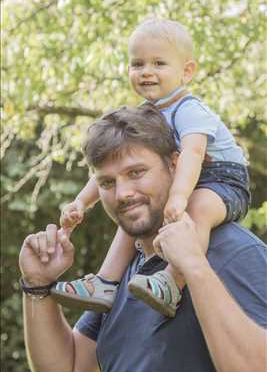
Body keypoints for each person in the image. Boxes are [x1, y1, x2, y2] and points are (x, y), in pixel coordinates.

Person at [19, 105, 267, 372]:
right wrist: (37, 286)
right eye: (107, 183)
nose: (123, 193)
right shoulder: (119, 276)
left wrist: (194, 267)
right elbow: (68, 370)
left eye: (136, 172)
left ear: (175, 165)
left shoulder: (236, 252)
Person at [51, 17, 251, 317]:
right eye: (137, 64)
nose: (146, 72)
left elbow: (193, 154)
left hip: (223, 180)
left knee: (199, 209)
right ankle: (105, 282)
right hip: (184, 178)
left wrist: (179, 197)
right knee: (134, 213)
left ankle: (173, 281)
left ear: (186, 72)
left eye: (159, 63)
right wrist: (81, 201)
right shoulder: (143, 116)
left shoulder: (189, 110)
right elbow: (111, 167)